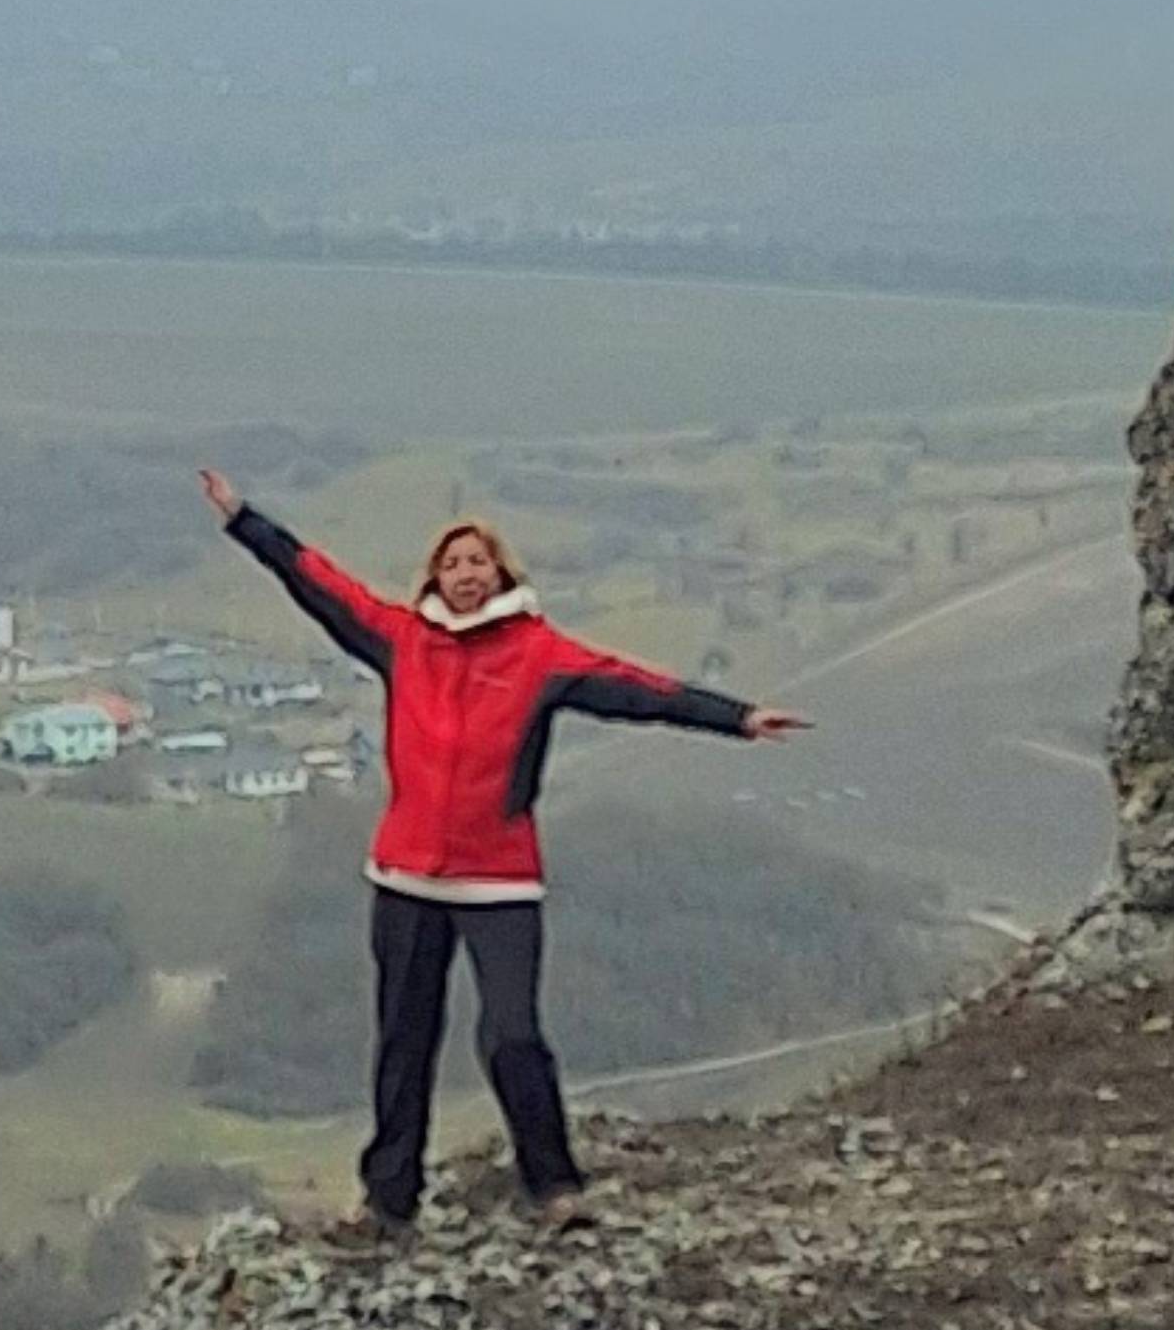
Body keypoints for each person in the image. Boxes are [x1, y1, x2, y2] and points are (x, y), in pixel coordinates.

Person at [203, 469, 803, 1236]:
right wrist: (243, 519)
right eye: (451, 563)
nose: (465, 573)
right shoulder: (401, 641)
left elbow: (635, 690)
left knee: (512, 1034)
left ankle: (553, 1188)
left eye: (477, 561)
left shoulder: (538, 654)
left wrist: (737, 717)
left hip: (499, 882)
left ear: (501, 574)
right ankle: (388, 1202)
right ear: (434, 578)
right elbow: (317, 581)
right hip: (406, 877)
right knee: (403, 1041)